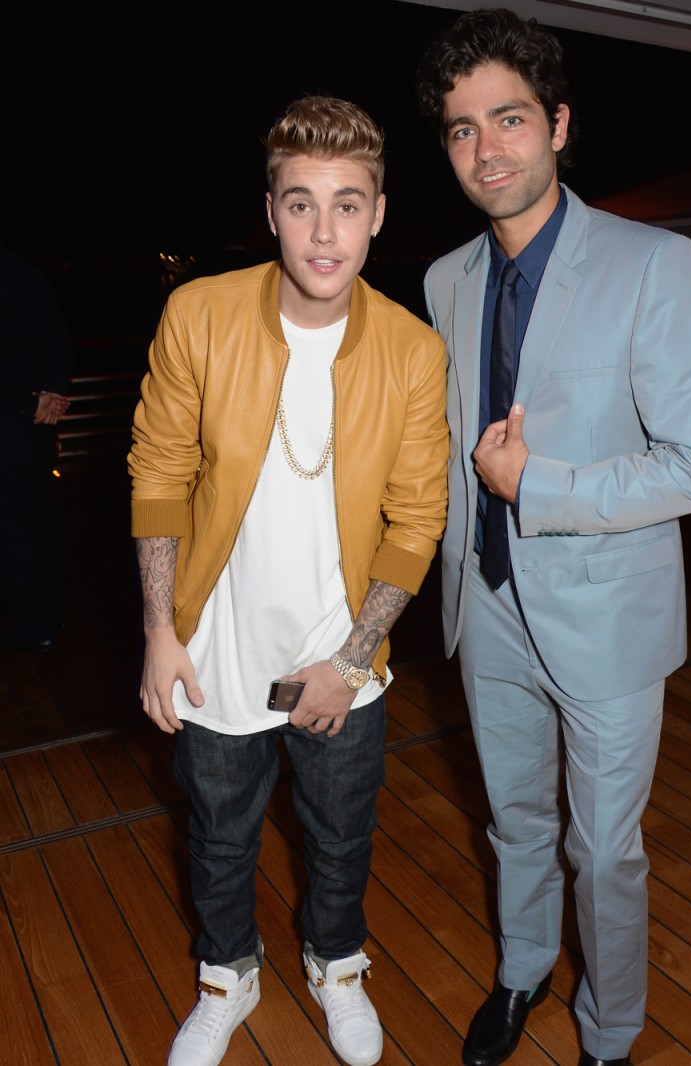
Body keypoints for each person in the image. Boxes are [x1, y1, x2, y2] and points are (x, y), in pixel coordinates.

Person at [417, 10, 691, 1066]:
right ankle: (520, 972)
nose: (486, 149)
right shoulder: (441, 280)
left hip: (604, 615)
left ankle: (607, 1033)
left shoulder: (655, 262)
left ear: (556, 124)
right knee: (512, 820)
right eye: (461, 130)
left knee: (602, 854)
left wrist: (533, 483)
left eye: (507, 119)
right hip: (486, 605)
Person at [128, 96, 448, 1066]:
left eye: (346, 204)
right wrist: (158, 627)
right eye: (300, 202)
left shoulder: (411, 351)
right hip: (218, 647)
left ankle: (335, 963)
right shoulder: (200, 314)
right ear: (270, 210)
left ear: (377, 213)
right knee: (219, 834)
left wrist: (350, 662)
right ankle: (229, 972)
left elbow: (417, 516)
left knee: (340, 831)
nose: (323, 229)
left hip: (339, 653)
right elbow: (157, 472)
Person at [0, 243, 71, 651]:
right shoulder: (29, 274)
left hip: (11, 419)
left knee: (11, 528)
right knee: (40, 518)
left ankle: (33, 623)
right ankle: (55, 613)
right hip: (36, 424)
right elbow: (57, 339)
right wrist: (53, 394)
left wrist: (31, 401)